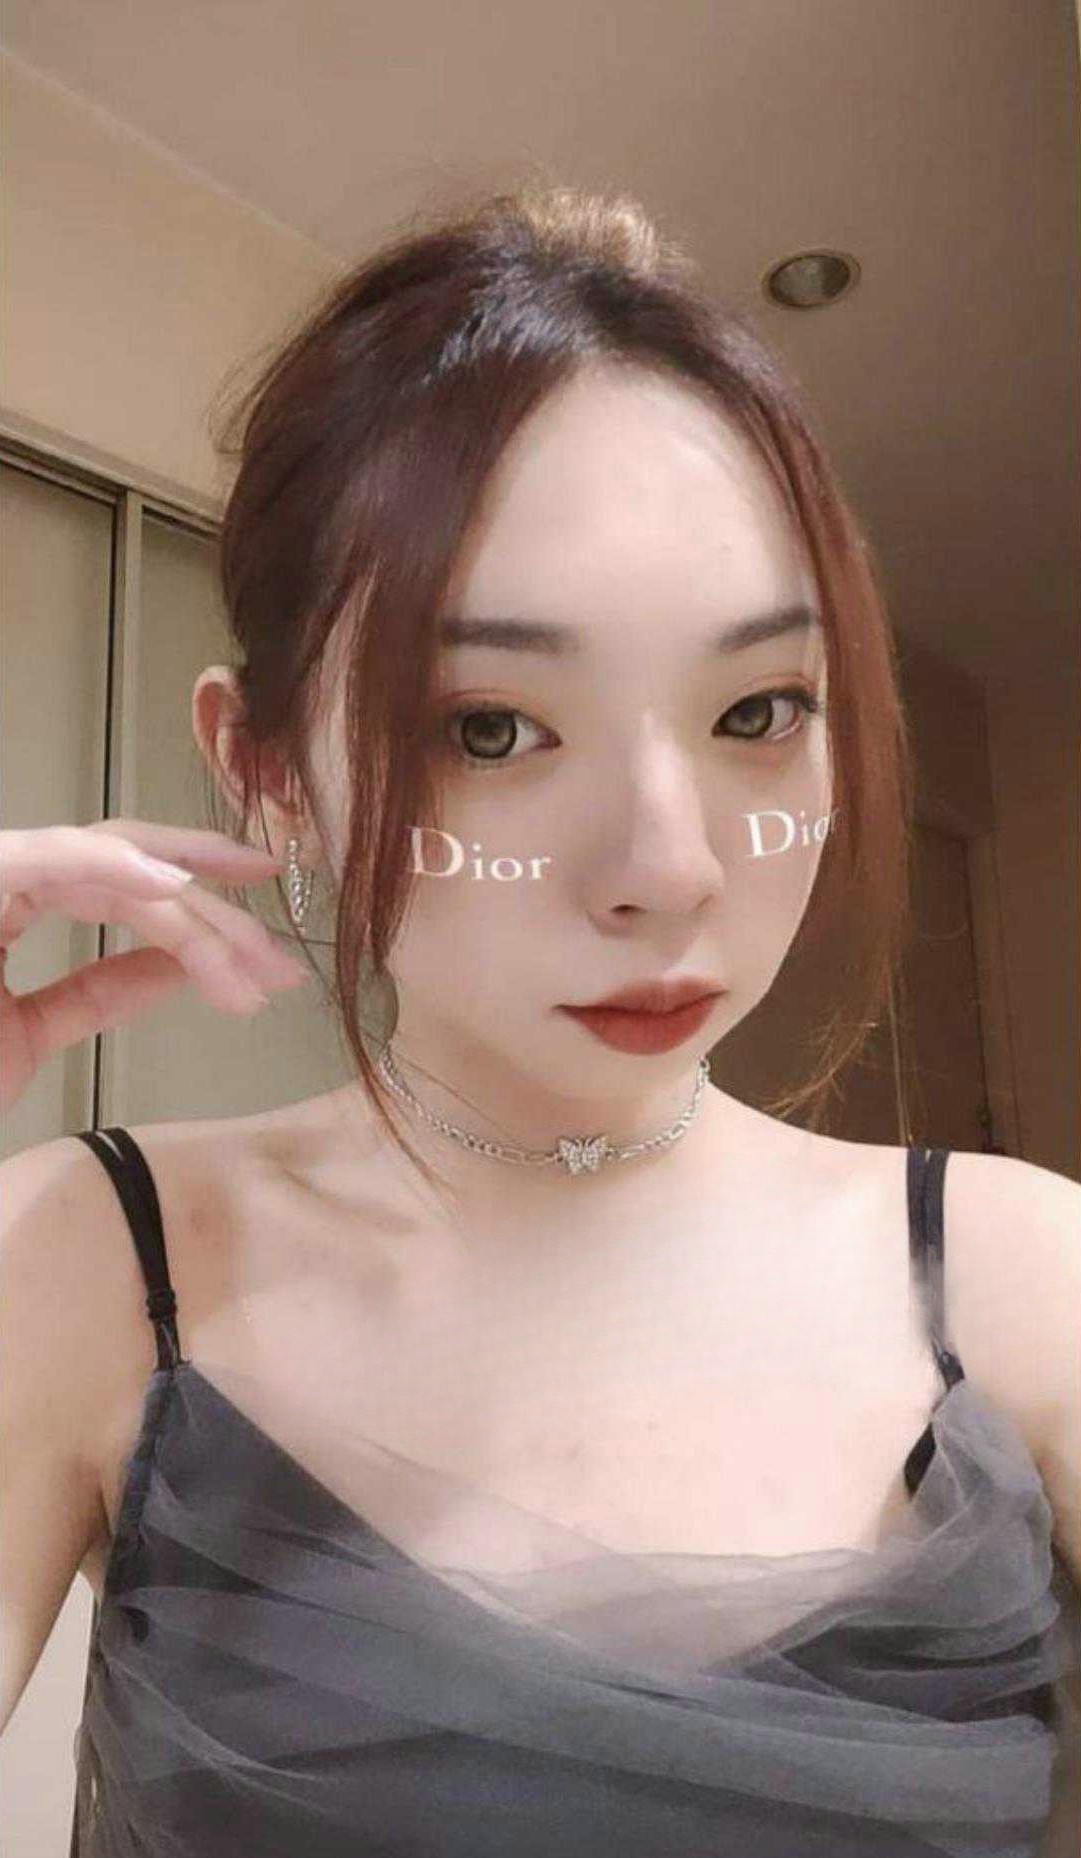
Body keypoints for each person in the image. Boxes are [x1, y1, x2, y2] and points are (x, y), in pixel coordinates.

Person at [2, 184, 1078, 1857]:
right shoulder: (84, 1257)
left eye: (756, 709)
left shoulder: (1022, 1277)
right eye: (492, 728)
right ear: (266, 771)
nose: (667, 867)